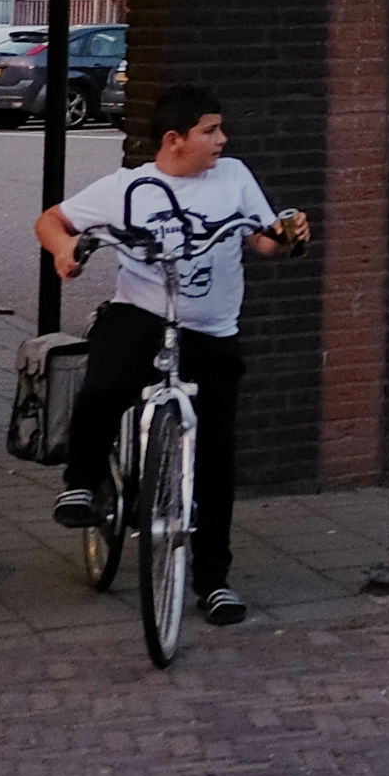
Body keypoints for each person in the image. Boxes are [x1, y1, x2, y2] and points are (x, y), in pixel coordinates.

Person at [38, 86, 307, 629]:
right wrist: (65, 249)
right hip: (141, 314)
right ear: (174, 139)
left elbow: (264, 241)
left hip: (211, 330)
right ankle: (82, 481)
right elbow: (51, 220)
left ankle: (213, 582)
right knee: (105, 385)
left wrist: (289, 235)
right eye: (210, 130)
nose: (222, 138)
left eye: (220, 128)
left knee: (216, 456)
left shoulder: (233, 177)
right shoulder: (128, 187)